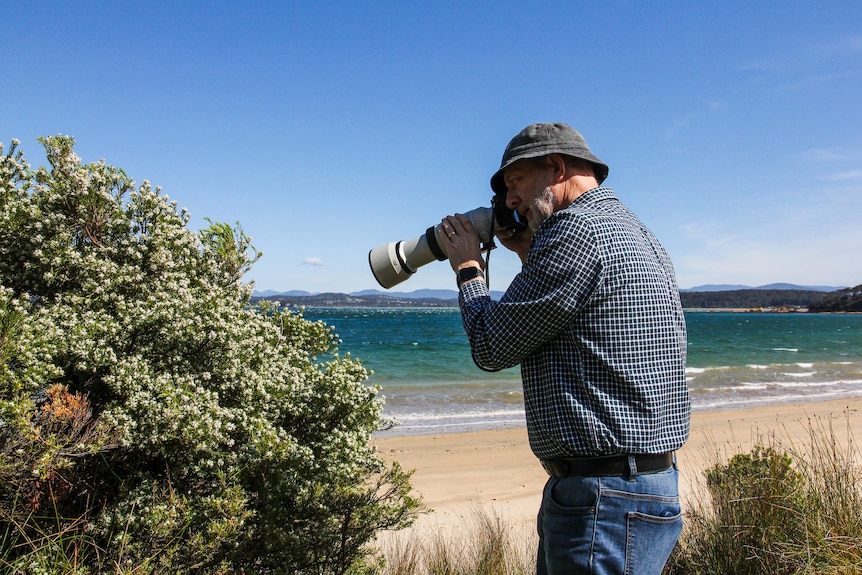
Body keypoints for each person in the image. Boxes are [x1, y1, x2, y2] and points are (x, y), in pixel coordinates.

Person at [439, 122, 691, 575]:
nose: (509, 201)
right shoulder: (635, 231)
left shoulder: (573, 232)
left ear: (555, 167)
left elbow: (491, 346)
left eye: (514, 183)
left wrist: (468, 269)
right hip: (643, 483)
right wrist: (529, 258)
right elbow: (578, 323)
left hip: (601, 496)